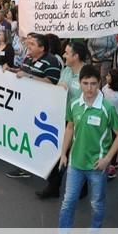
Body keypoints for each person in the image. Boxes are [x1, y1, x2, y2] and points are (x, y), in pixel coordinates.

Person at [55, 64, 118, 234]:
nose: (89, 88)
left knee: (97, 204)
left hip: (97, 167)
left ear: (99, 83)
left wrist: (108, 159)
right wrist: (63, 153)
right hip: (75, 164)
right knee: (68, 202)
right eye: (85, 83)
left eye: (93, 84)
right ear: (80, 83)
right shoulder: (74, 105)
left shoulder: (107, 109)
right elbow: (70, 128)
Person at [36, 41, 89, 199]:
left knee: (77, 154)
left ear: (76, 56)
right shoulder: (66, 70)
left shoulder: (87, 74)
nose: (64, 55)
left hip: (79, 122)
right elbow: (58, 88)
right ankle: (54, 187)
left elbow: (88, 99)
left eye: (67, 53)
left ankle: (82, 187)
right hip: (63, 119)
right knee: (60, 152)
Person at [4, 34, 61, 179]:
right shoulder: (29, 58)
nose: (28, 46)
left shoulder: (51, 61)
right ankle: (25, 166)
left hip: (42, 108)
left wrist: (29, 77)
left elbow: (51, 83)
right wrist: (10, 70)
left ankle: (41, 167)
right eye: (28, 44)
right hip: (26, 104)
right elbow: (23, 72)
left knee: (39, 139)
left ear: (42, 48)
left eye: (32, 44)